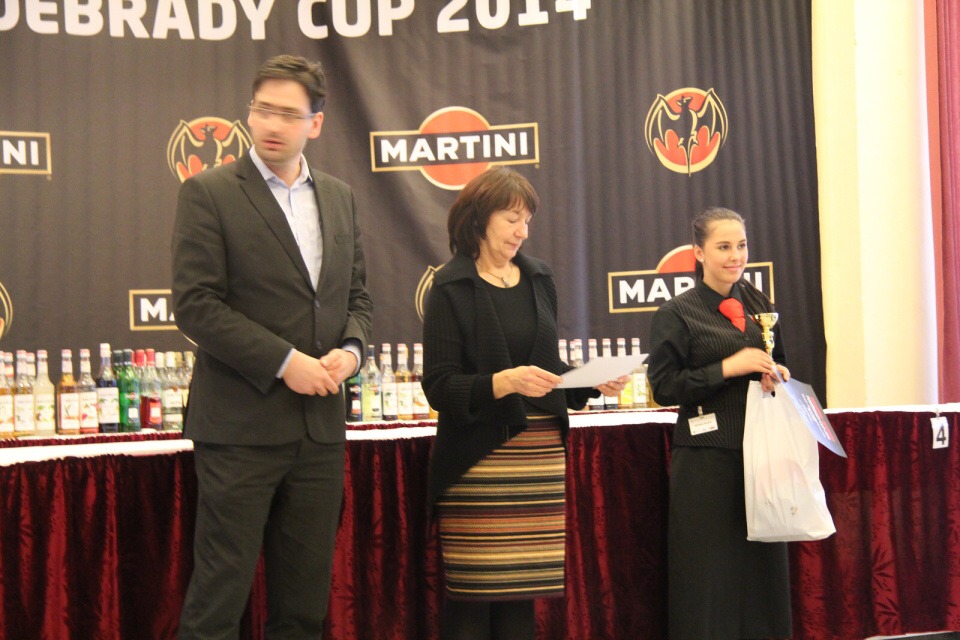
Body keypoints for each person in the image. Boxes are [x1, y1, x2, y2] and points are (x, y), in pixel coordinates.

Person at [171, 54, 373, 639]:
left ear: (317, 123)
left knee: (303, 609)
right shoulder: (209, 192)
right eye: (263, 110)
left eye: (289, 113)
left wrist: (351, 352)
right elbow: (197, 304)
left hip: (319, 431)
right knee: (218, 603)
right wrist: (286, 363)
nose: (272, 124)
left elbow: (357, 299)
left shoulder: (340, 197)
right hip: (239, 430)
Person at [421, 167, 627, 640]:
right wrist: (501, 383)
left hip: (537, 459)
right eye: (512, 219)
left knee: (520, 599)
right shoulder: (451, 286)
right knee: (473, 601)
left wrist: (590, 382)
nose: (522, 232)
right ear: (479, 219)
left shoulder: (539, 278)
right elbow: (439, 387)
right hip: (478, 460)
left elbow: (545, 372)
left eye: (527, 221)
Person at [647, 206, 792, 640]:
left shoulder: (760, 305)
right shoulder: (678, 312)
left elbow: (780, 361)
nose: (736, 256)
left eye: (741, 245)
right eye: (724, 247)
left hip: (760, 456)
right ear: (699, 252)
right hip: (705, 462)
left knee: (761, 574)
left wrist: (776, 374)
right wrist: (728, 367)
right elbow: (664, 387)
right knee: (707, 576)